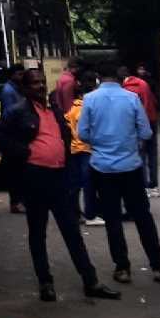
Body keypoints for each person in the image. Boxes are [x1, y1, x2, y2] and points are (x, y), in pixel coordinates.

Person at [1, 69, 120, 303]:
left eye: (43, 82)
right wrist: (25, 153)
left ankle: (90, 281)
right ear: (26, 88)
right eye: (35, 83)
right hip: (35, 180)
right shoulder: (17, 112)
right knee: (38, 233)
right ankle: (46, 283)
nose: (40, 86)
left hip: (58, 179)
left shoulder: (52, 110)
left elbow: (64, 136)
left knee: (72, 232)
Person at [79, 62, 160, 285]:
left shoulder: (90, 99)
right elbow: (146, 131)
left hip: (102, 167)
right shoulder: (131, 99)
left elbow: (82, 134)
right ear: (121, 78)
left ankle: (122, 268)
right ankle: (158, 265)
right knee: (143, 217)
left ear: (98, 78)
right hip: (130, 167)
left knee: (112, 219)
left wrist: (101, 142)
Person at [63, 70, 102, 225]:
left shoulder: (72, 108)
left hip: (74, 149)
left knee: (75, 184)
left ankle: (74, 213)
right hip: (85, 149)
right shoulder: (84, 109)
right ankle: (90, 215)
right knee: (89, 184)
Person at [120, 65, 160, 196]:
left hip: (138, 125)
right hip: (151, 121)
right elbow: (152, 101)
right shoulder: (143, 84)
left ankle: (144, 185)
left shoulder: (125, 90)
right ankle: (154, 186)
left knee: (140, 155)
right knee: (152, 154)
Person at [0, 64, 27, 213]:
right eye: (20, 74)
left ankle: (19, 201)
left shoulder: (15, 89)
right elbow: (10, 115)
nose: (22, 77)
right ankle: (16, 202)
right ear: (13, 75)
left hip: (16, 137)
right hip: (13, 137)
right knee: (15, 172)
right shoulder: (9, 91)